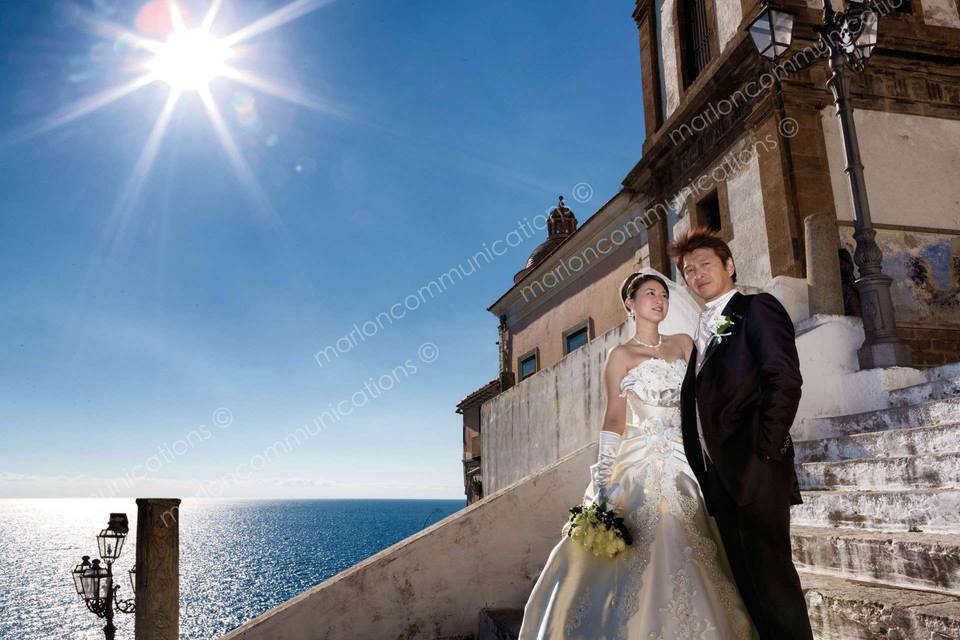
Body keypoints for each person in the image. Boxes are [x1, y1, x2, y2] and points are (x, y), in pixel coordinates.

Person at [518, 268, 755, 640]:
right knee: (642, 542)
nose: (659, 300)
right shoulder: (620, 355)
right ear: (630, 304)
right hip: (640, 458)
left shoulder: (683, 345)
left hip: (686, 457)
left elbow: (710, 395)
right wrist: (603, 473)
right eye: (649, 294)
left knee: (695, 539)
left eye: (663, 294)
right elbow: (614, 416)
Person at [670, 226, 813, 640]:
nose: (697, 274)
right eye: (688, 269)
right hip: (720, 480)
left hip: (757, 468)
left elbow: (783, 380)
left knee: (774, 583)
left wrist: (764, 452)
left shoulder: (757, 309)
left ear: (729, 265)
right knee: (749, 588)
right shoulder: (699, 332)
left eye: (706, 264)